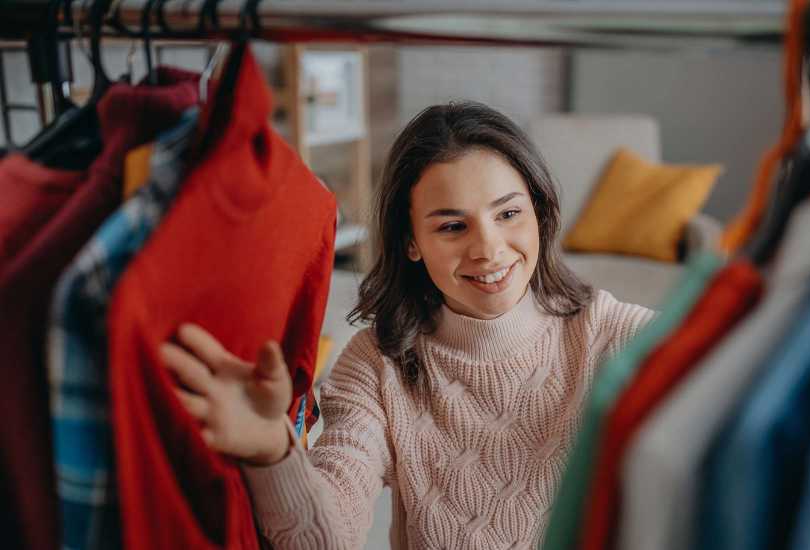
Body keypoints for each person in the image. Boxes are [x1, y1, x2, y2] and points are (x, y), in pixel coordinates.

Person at [161, 101, 654, 549]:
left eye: (508, 213)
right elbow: (326, 540)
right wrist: (273, 453)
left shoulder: (614, 335)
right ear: (411, 242)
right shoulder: (377, 363)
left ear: (540, 215)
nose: (488, 248)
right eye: (452, 226)